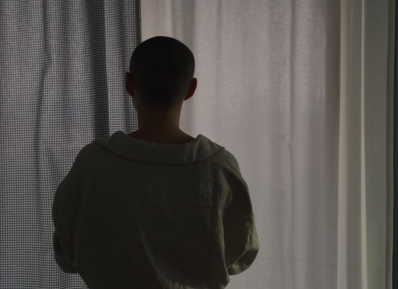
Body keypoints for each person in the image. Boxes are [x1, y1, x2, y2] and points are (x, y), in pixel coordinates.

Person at [52, 36, 259, 288]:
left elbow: (67, 253)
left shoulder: (92, 165)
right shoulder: (220, 167)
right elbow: (241, 255)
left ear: (129, 83)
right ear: (191, 89)